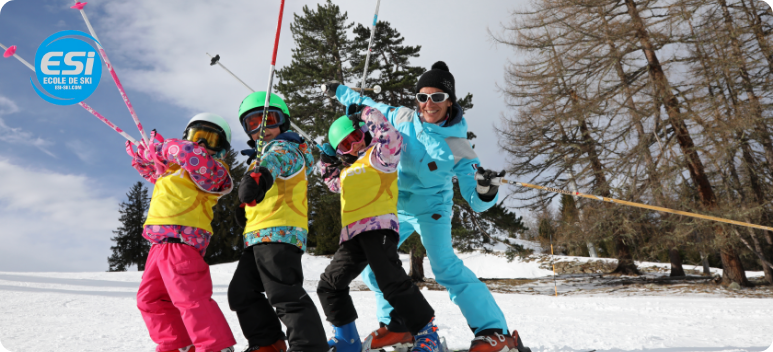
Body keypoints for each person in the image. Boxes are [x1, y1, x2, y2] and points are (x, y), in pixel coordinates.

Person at [323, 61, 529, 352]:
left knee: (444, 268)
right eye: (423, 97)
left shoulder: (458, 146)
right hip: (396, 207)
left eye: (437, 97)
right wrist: (339, 91)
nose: (428, 104)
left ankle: (494, 331)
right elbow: (366, 102)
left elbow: (476, 200)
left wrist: (486, 190)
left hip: (432, 209)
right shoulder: (402, 118)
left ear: (450, 102)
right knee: (373, 268)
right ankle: (400, 326)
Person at [316, 107, 442, 352]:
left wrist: (366, 115)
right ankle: (347, 339)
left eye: (354, 138)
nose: (352, 147)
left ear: (363, 133)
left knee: (390, 280)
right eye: (344, 146)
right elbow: (331, 181)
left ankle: (427, 334)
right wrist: (327, 159)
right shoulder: (346, 172)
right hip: (352, 236)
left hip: (378, 227)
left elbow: (391, 137)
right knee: (330, 284)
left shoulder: (379, 156)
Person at [227, 91, 329, 352]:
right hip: (259, 237)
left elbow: (276, 162)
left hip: (280, 234)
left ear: (283, 122)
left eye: (269, 119)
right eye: (252, 124)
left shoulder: (286, 147)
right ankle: (268, 343)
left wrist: (259, 174)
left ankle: (309, 347)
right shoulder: (260, 157)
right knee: (241, 292)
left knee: (284, 294)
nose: (261, 129)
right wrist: (245, 205)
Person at [127, 113, 237, 352]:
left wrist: (163, 147)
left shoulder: (215, 172)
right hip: (158, 246)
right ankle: (178, 344)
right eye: (198, 136)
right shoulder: (175, 168)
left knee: (189, 297)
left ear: (222, 150)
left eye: (211, 140)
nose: (202, 145)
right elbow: (157, 172)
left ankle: (215, 346)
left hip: (182, 242)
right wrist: (145, 157)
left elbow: (190, 155)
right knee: (150, 299)